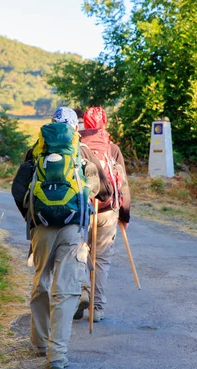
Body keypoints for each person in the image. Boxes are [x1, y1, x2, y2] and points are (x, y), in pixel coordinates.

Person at [11, 107, 112, 369]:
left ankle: (39, 343)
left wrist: (30, 216)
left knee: (41, 280)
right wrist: (86, 197)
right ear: (75, 128)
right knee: (66, 288)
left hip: (41, 228)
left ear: (50, 126)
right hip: (72, 228)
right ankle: (56, 355)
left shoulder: (36, 150)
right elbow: (103, 188)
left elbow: (18, 187)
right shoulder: (81, 150)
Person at [75, 106, 131, 323]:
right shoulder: (112, 148)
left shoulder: (76, 145)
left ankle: (81, 291)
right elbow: (122, 182)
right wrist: (124, 216)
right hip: (107, 209)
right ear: (104, 122)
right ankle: (96, 308)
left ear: (85, 124)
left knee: (80, 253)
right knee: (102, 260)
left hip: (81, 209)